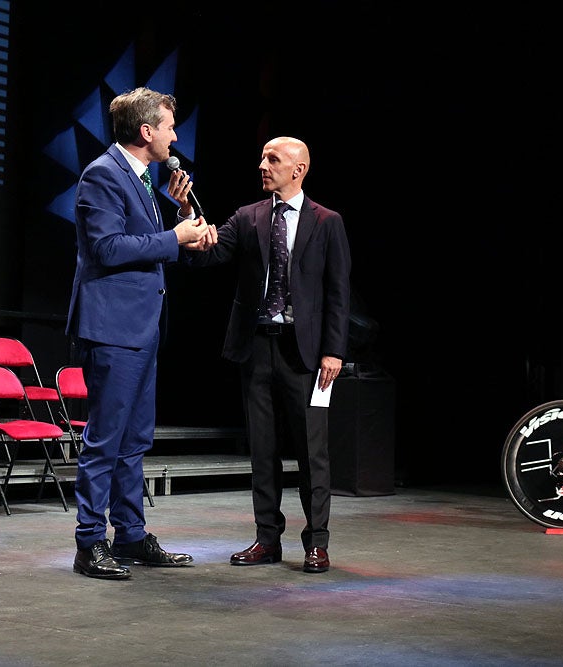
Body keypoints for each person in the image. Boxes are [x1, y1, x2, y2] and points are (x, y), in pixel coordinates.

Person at [172, 136, 351, 573]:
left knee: (313, 454)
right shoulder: (249, 217)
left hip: (305, 354)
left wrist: (333, 350)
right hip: (257, 348)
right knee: (263, 451)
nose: (262, 165)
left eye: (273, 159)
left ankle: (317, 542)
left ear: (299, 169)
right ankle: (266, 539)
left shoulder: (327, 222)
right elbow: (206, 253)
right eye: (262, 157)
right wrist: (187, 217)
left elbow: (337, 292)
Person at [66, 87, 214, 580]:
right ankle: (90, 543)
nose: (176, 136)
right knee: (105, 440)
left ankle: (129, 534)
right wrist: (176, 238)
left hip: (141, 327)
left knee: (134, 441)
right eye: (170, 127)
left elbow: (143, 244)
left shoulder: (146, 179)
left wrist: (179, 218)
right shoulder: (102, 175)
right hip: (112, 328)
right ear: (147, 132)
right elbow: (107, 248)